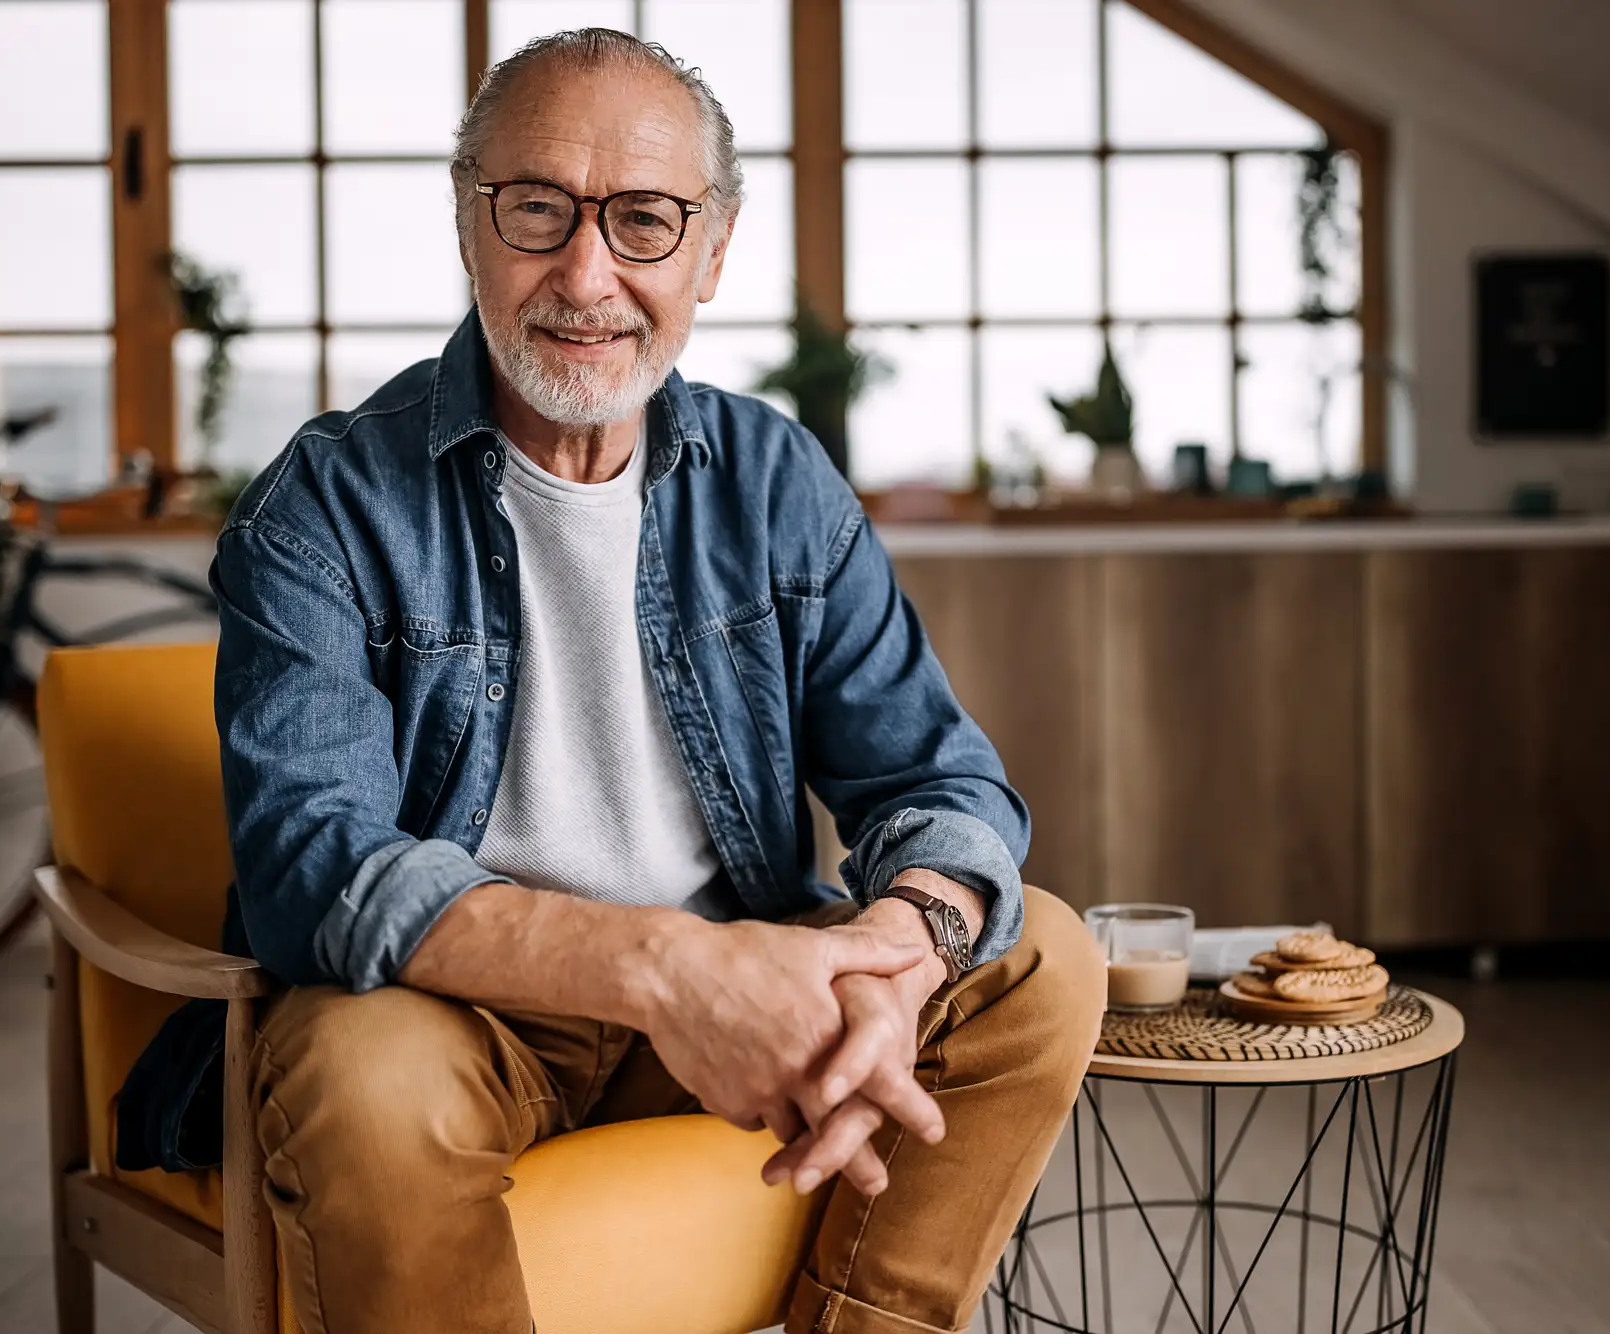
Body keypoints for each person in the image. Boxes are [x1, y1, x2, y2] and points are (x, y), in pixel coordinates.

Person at [208, 27, 1105, 1334]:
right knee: (364, 1074)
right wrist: (671, 970)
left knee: (1046, 962)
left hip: (743, 973)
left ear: (711, 251)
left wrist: (898, 958)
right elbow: (317, 868)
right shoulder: (326, 500)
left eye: (643, 220)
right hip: (459, 1012)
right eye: (537, 210)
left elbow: (939, 777)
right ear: (472, 222)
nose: (587, 273)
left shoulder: (775, 481)